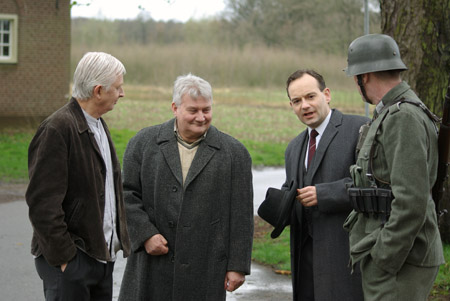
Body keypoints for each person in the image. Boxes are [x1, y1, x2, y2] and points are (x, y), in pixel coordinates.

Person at [118, 73, 254, 301]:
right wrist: (145, 234)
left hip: (206, 268)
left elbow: (241, 214)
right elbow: (125, 194)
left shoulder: (235, 154)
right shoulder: (142, 143)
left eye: (207, 110)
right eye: (193, 110)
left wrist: (238, 265)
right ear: (175, 107)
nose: (201, 117)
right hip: (152, 267)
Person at [343, 34, 445, 300]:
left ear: (363, 76)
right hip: (398, 255)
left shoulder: (403, 117)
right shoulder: (390, 111)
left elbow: (411, 200)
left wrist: (383, 258)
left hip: (400, 260)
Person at [26, 52, 131, 300]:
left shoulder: (97, 124)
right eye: (117, 88)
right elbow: (43, 204)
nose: (122, 93)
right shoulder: (57, 128)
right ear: (98, 91)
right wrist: (66, 260)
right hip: (73, 261)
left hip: (101, 259)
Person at [282, 69, 367, 300]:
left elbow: (375, 186)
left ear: (326, 94)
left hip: (346, 258)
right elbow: (293, 192)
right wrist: (280, 205)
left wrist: (325, 194)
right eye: (297, 101)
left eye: (311, 96)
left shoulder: (360, 129)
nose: (305, 106)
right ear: (291, 105)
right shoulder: (293, 148)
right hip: (305, 263)